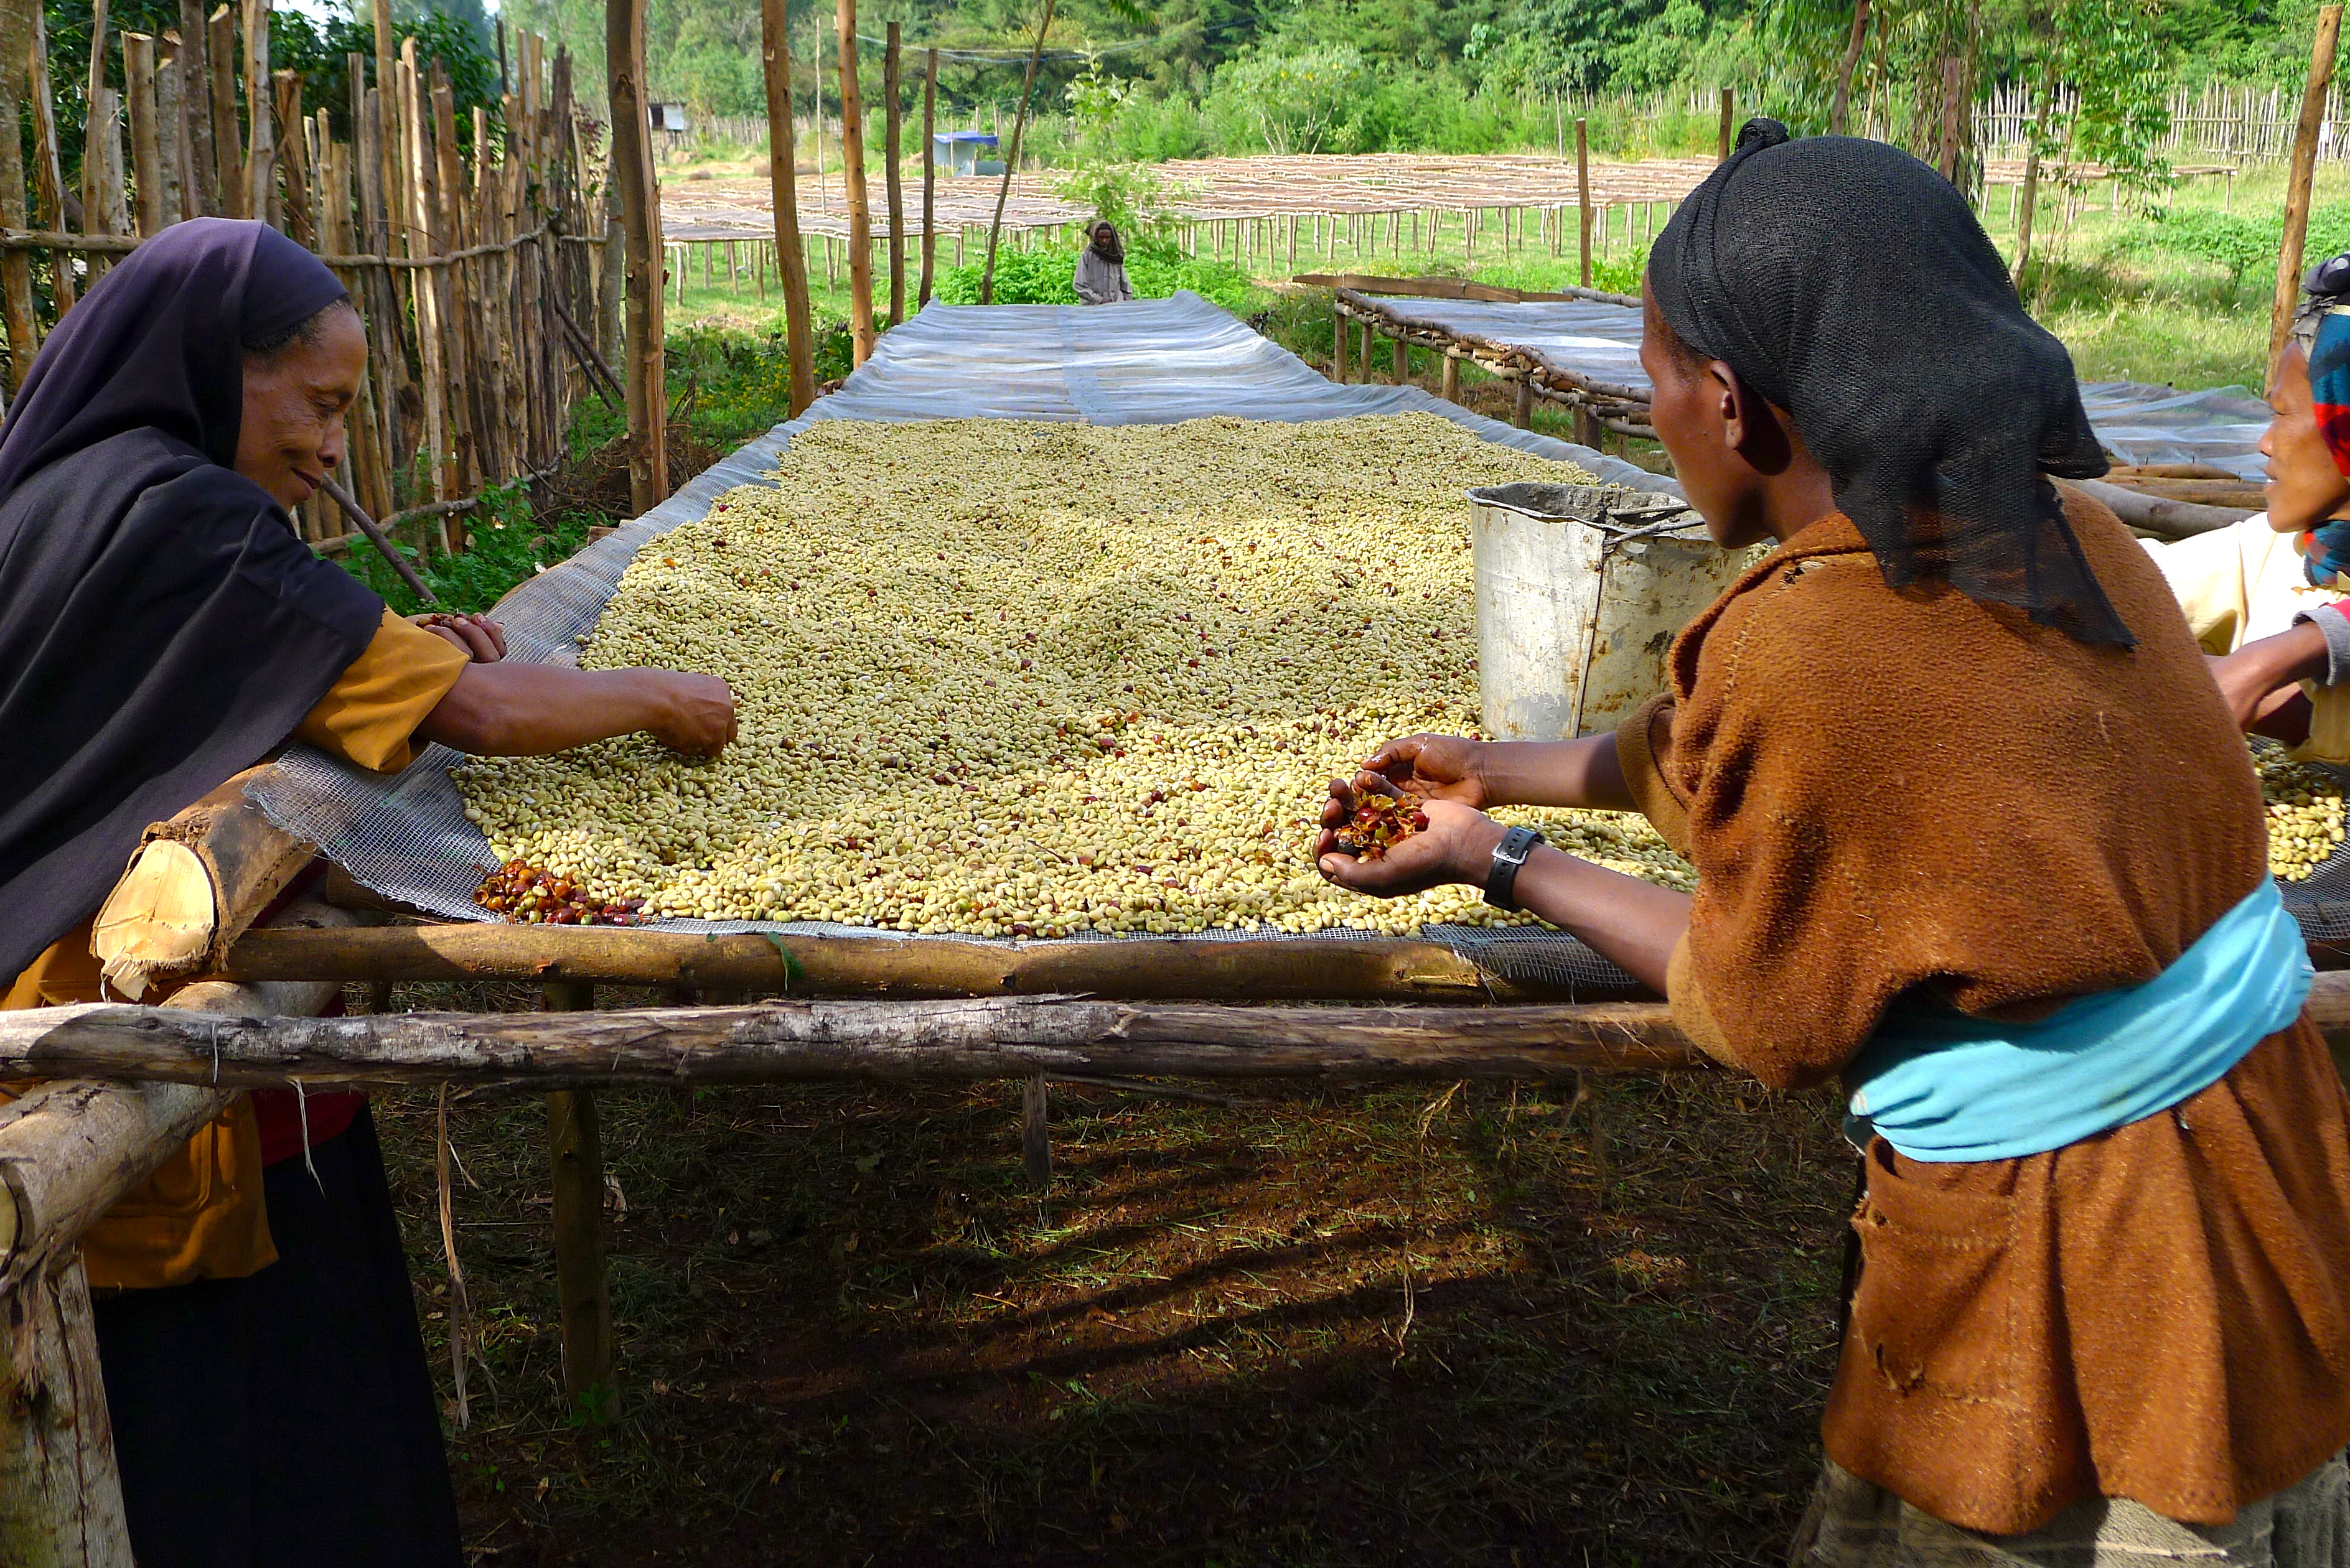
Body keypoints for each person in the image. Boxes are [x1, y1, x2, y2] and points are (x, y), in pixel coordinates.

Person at [1316, 124, 2350, 1565]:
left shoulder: (1797, 652)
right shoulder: (2055, 536)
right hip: (2272, 1170)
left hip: (2088, 1272)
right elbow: (1774, 768)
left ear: (1732, 406)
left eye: (1657, 370)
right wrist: (1496, 761)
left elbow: (1759, 1005)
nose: (1655, 404)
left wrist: (1496, 860)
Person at [0, 218, 735, 1567]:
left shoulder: (73, 492)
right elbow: (481, 713)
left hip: (55, 1009)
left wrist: (397, 655)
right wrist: (661, 698)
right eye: (320, 405)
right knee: (227, 1460)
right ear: (219, 367)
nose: (335, 449)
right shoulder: (187, 515)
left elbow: (221, 693)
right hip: (114, 1032)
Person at [2183, 253, 2350, 750]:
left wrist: (2278, 659)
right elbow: (2135, 583)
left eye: (2282, 413)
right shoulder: (2277, 551)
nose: (2265, 443)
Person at [1074, 220, 1133, 306]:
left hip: (1116, 308)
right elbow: (1079, 286)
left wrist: (1128, 305)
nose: (1104, 241)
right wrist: (1099, 300)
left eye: (1107, 237)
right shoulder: (1087, 257)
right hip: (1093, 309)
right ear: (1096, 238)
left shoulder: (1116, 257)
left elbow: (1125, 286)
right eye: (1101, 237)